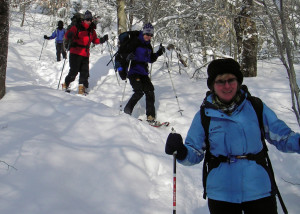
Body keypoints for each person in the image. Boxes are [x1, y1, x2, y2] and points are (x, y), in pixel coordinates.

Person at [165, 58, 300, 214]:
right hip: (222, 194)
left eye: (231, 80)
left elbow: (283, 137)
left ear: (238, 81)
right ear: (213, 85)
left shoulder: (256, 107)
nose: (227, 85)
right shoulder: (204, 115)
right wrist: (181, 151)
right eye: (220, 81)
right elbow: (194, 152)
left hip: (259, 189)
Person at [117, 23, 165, 123]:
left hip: (143, 71)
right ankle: (127, 112)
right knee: (138, 91)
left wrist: (158, 53)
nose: (149, 37)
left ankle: (151, 116)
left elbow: (150, 59)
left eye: (151, 35)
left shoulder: (148, 46)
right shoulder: (134, 41)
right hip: (133, 70)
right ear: (143, 32)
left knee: (150, 91)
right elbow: (122, 53)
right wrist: (128, 56)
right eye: (147, 34)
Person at [62, 10, 108, 94]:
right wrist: (69, 35)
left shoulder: (91, 30)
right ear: (84, 19)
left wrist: (102, 40)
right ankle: (65, 84)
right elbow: (67, 34)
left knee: (84, 72)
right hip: (75, 52)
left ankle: (81, 89)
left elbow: (95, 40)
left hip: (85, 54)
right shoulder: (77, 27)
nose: (89, 21)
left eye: (90, 20)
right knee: (74, 72)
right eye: (87, 19)